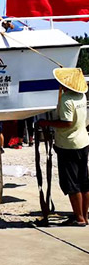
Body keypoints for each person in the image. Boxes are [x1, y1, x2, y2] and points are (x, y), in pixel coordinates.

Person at [38, 68, 89, 226]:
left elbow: (67, 123)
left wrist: (46, 123)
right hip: (83, 141)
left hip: (68, 144)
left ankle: (79, 218)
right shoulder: (81, 96)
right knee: (83, 181)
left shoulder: (67, 100)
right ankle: (84, 215)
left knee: (71, 183)